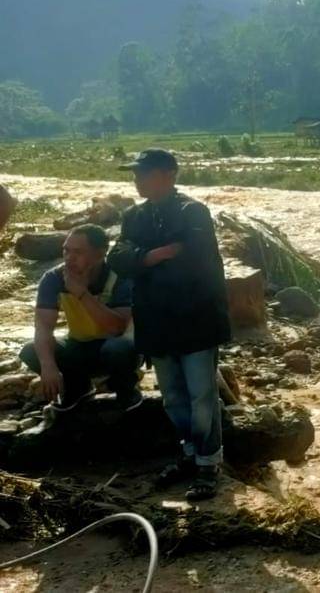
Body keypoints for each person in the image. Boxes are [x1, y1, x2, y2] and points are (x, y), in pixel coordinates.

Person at [108, 149, 231, 501]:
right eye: (136, 174)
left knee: (202, 395)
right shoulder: (134, 216)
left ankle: (208, 465)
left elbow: (193, 258)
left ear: (168, 175)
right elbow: (119, 257)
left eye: (143, 173)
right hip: (156, 319)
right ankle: (189, 455)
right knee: (173, 397)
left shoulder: (193, 212)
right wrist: (152, 255)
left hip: (196, 318)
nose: (137, 179)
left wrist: (141, 260)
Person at [20, 224, 141, 412]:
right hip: (79, 346)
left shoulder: (120, 277)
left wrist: (81, 293)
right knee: (31, 350)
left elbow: (118, 328)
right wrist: (48, 365)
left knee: (118, 349)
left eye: (78, 252)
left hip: (116, 346)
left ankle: (126, 390)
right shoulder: (54, 278)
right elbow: (43, 327)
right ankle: (78, 388)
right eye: (66, 251)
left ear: (100, 254)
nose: (69, 258)